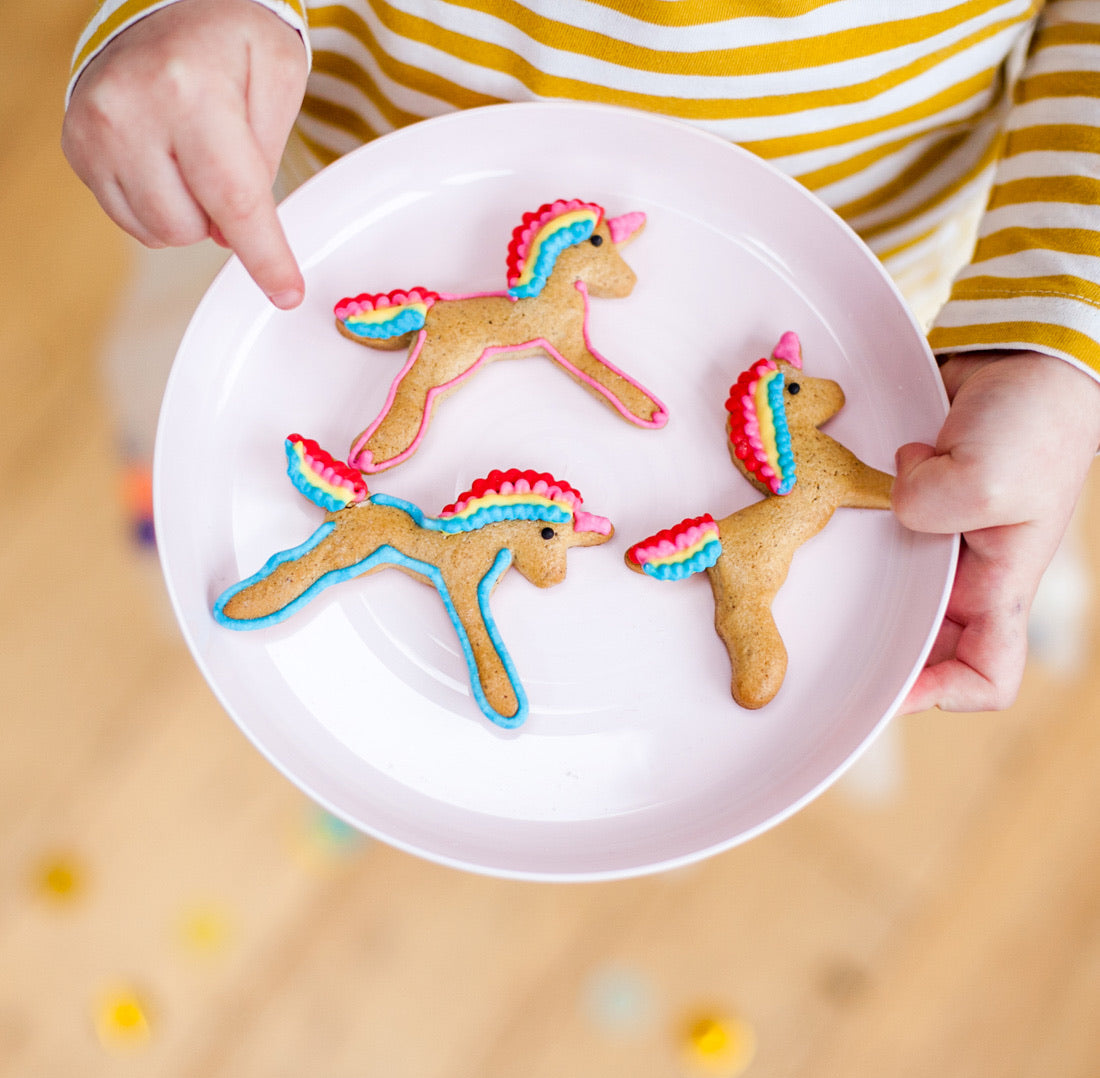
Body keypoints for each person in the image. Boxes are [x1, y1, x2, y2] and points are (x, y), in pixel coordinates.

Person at [62, 0, 1100, 715]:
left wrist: (1050, 325)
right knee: (266, 411)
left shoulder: (585, 337)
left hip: (861, 253)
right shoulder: (527, 336)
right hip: (350, 190)